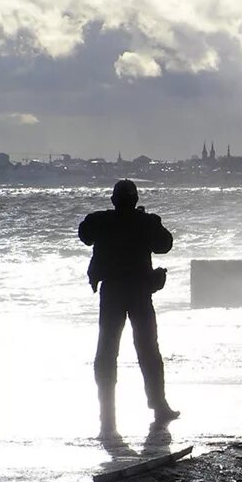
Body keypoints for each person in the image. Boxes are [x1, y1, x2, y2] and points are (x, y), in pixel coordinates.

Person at [78, 179, 179, 435]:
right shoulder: (144, 223)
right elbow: (165, 244)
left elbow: (84, 235)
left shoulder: (101, 221)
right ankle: (158, 405)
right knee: (148, 351)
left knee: (106, 353)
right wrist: (145, 220)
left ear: (113, 200)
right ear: (135, 200)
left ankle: (107, 418)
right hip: (138, 292)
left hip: (112, 292)